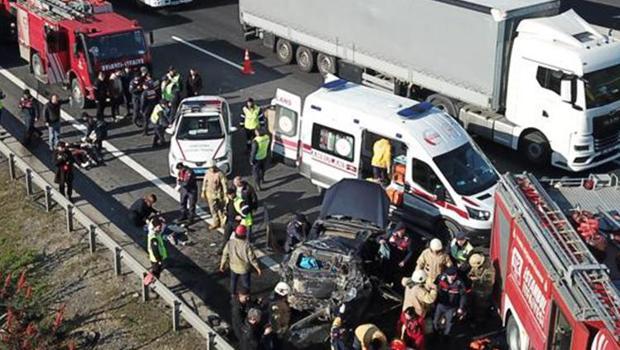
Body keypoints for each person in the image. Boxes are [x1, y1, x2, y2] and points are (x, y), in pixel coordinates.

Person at [220, 225, 262, 295]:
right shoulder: (246, 245)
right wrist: (257, 268)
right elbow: (252, 258)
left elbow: (224, 254)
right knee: (246, 284)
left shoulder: (230, 243)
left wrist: (222, 265)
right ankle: (246, 295)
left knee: (233, 282)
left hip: (233, 267)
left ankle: (233, 294)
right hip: (244, 268)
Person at [433, 267, 468, 337]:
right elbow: (433, 285)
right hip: (441, 304)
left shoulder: (459, 283)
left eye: (454, 275)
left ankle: (446, 337)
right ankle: (436, 334)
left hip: (451, 307)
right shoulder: (440, 278)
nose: (452, 277)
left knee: (449, 323)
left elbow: (463, 296)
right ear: (446, 275)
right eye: (450, 276)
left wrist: (461, 307)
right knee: (435, 321)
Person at [467, 253, 495, 323]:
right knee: (473, 304)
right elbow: (472, 271)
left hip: (484, 292)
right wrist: (470, 275)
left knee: (482, 307)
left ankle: (480, 321)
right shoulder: (477, 264)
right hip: (476, 289)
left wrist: (477, 279)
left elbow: (489, 282)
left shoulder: (489, 270)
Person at [201, 159, 228, 230]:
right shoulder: (207, 173)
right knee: (213, 209)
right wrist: (203, 191)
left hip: (218, 194)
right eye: (210, 167)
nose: (212, 169)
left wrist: (225, 194)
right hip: (210, 193)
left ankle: (223, 222)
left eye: (213, 167)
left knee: (221, 208)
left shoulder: (220, 173)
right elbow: (205, 182)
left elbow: (224, 184)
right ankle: (215, 222)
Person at [145, 216, 168, 284]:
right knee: (156, 273)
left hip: (155, 258)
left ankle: (153, 283)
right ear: (155, 227)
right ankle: (154, 286)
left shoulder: (154, 232)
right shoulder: (154, 237)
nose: (160, 227)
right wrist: (159, 260)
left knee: (157, 271)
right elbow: (155, 250)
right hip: (156, 259)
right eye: (159, 226)